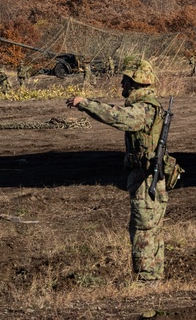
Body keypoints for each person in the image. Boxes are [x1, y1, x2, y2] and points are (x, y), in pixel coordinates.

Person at [67, 57, 171, 282]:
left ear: (134, 82)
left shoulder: (144, 108)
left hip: (146, 180)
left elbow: (119, 118)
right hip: (146, 177)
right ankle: (152, 276)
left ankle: (147, 280)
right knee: (150, 228)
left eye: (124, 80)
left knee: (144, 230)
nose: (121, 84)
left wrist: (86, 103)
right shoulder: (147, 105)